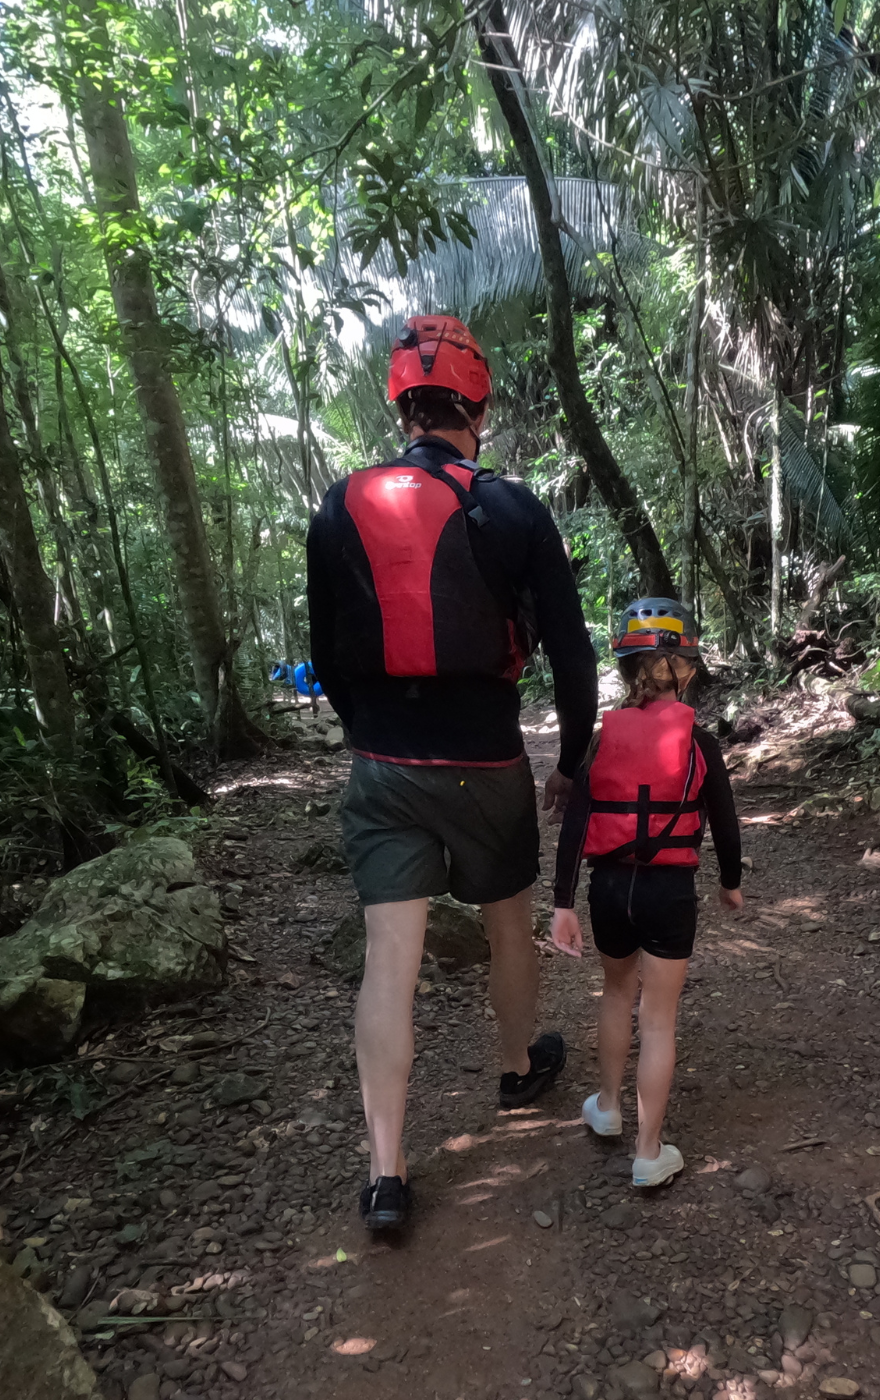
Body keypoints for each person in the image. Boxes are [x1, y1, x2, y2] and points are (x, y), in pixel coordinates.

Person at [307, 314, 599, 1233]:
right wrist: (575, 756)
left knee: (389, 955)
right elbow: (572, 653)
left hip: (383, 762)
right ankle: (519, 1066)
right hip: (486, 759)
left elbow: (325, 652)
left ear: (400, 401)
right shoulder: (512, 507)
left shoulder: (338, 503)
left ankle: (386, 1173)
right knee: (508, 921)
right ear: (480, 402)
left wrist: (369, 736)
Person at [548, 600, 742, 1188]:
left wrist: (562, 903)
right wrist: (730, 885)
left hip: (609, 889)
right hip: (668, 892)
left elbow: (577, 822)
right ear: (684, 668)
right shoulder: (699, 743)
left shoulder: (603, 741)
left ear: (629, 667)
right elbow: (726, 823)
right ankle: (649, 1151)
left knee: (614, 993)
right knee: (657, 1020)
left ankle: (607, 1108)